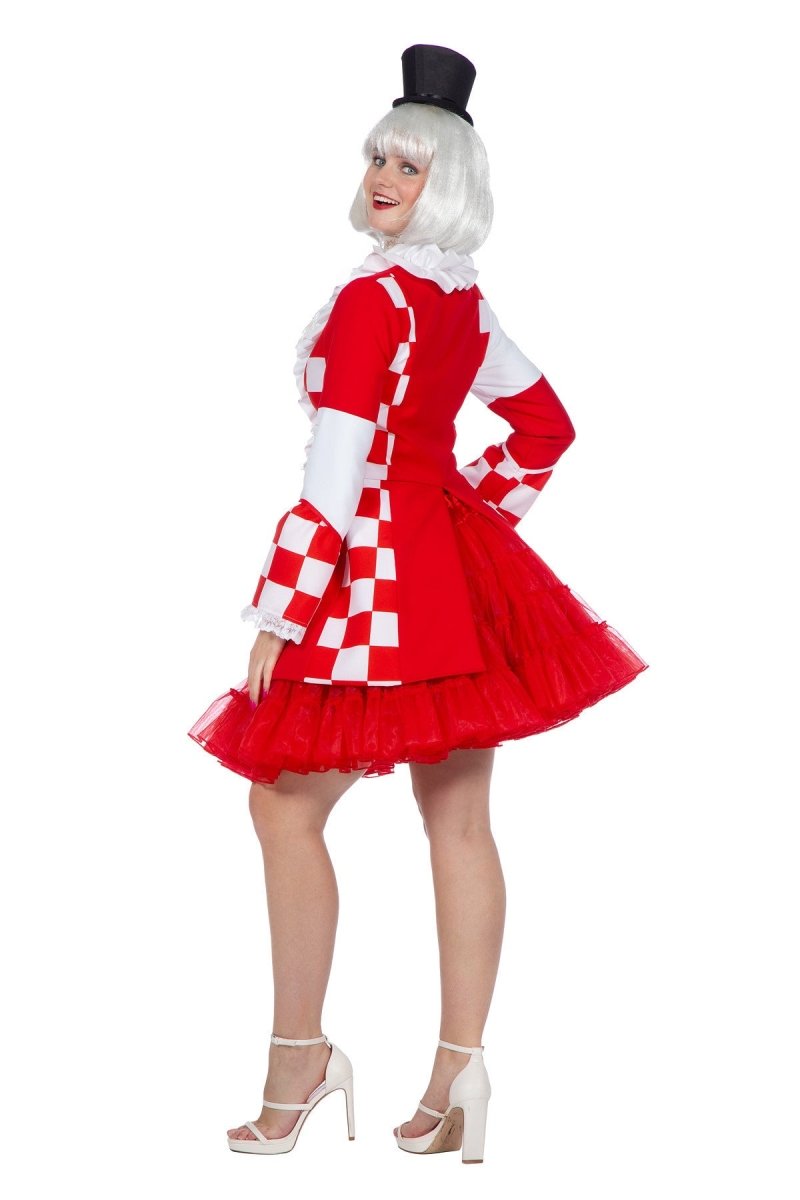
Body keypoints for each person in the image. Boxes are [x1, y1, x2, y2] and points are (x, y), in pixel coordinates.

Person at [187, 43, 649, 1162]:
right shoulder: (458, 303)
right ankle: (459, 1073)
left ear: (449, 181)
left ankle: (299, 1061)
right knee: (458, 821)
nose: (384, 177)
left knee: (283, 809)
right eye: (378, 157)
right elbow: (542, 431)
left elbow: (335, 477)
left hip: (375, 588)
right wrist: (469, 518)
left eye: (410, 164)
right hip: (453, 579)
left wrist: (279, 611)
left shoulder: (371, 302)